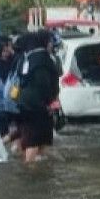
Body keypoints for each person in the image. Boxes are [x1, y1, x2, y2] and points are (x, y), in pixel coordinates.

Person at [15, 31, 60, 163]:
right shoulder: (43, 59)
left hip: (24, 102)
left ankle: (32, 164)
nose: (51, 44)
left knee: (32, 136)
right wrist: (50, 103)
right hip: (38, 104)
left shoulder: (26, 57)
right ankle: (30, 167)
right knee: (36, 139)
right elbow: (44, 83)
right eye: (50, 41)